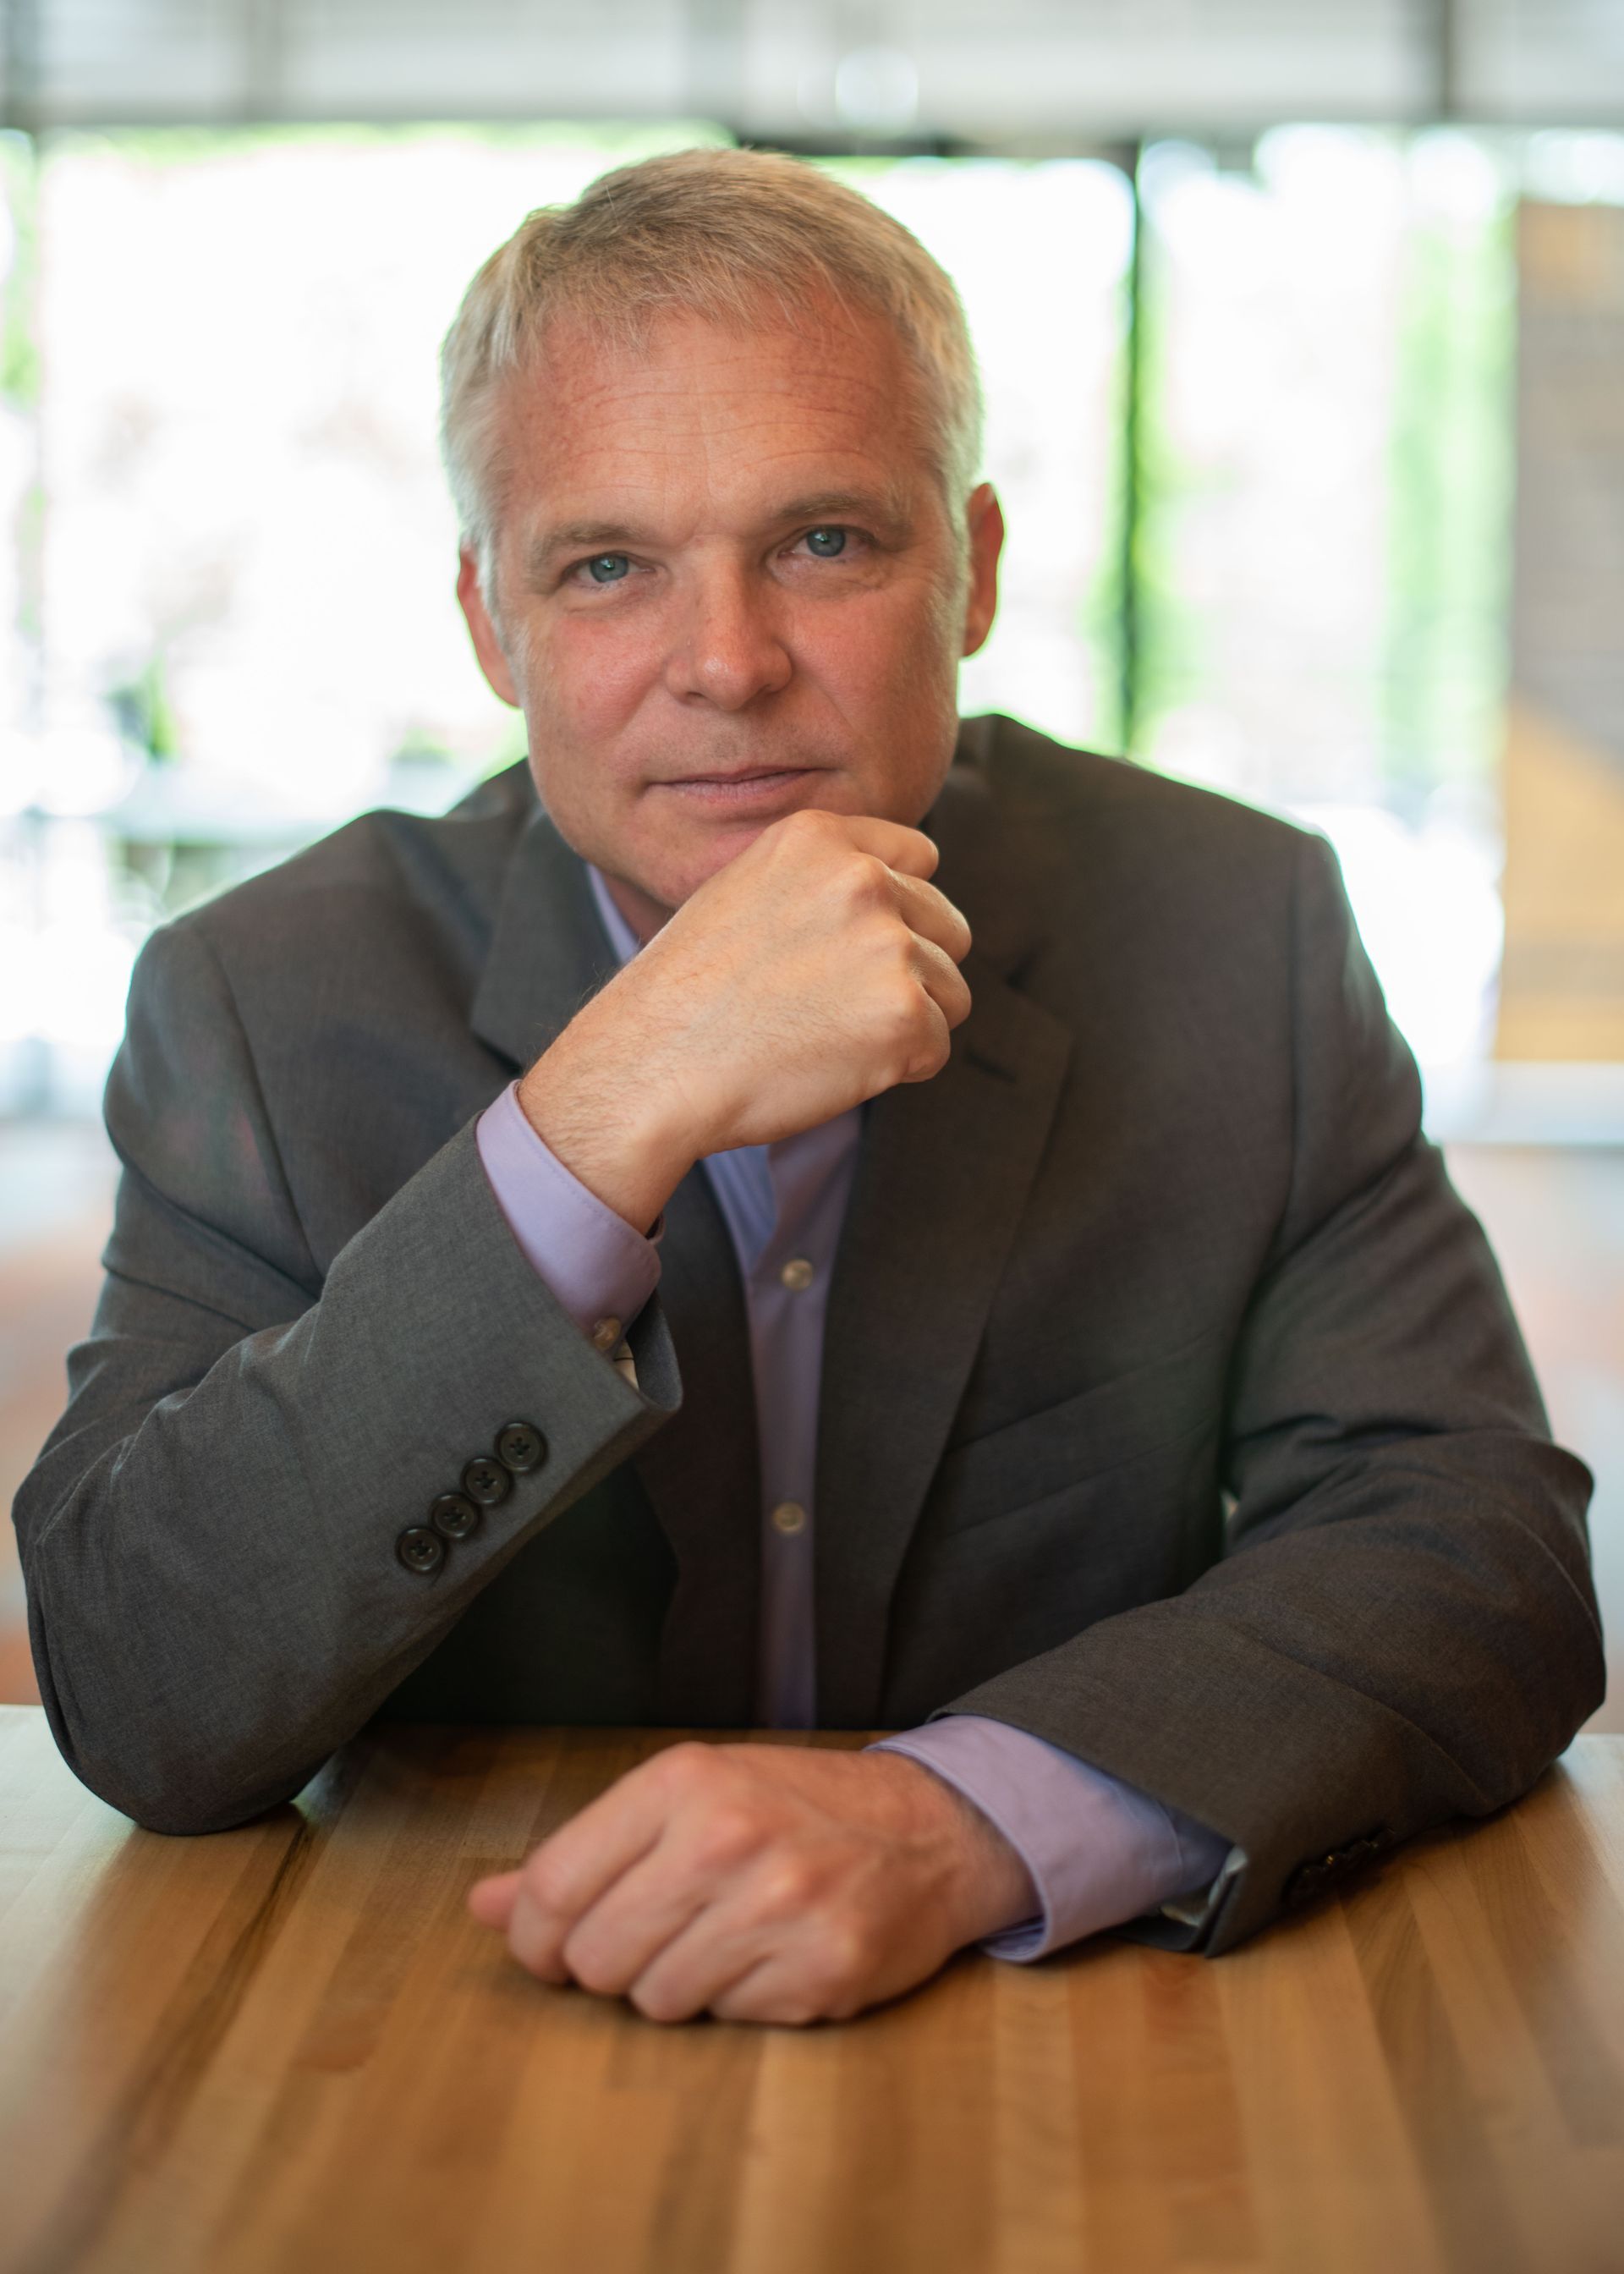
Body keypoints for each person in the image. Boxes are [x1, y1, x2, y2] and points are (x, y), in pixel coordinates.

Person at [14, 149, 1602, 2029]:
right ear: (485, 623)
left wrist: (961, 1821)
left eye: (826, 543)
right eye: (608, 567)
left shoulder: (1231, 930)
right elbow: (140, 1684)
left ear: (979, 568)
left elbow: (1478, 1555)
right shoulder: (266, 998)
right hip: (447, 2016)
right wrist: (599, 1119)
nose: (730, 666)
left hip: (1068, 2030)